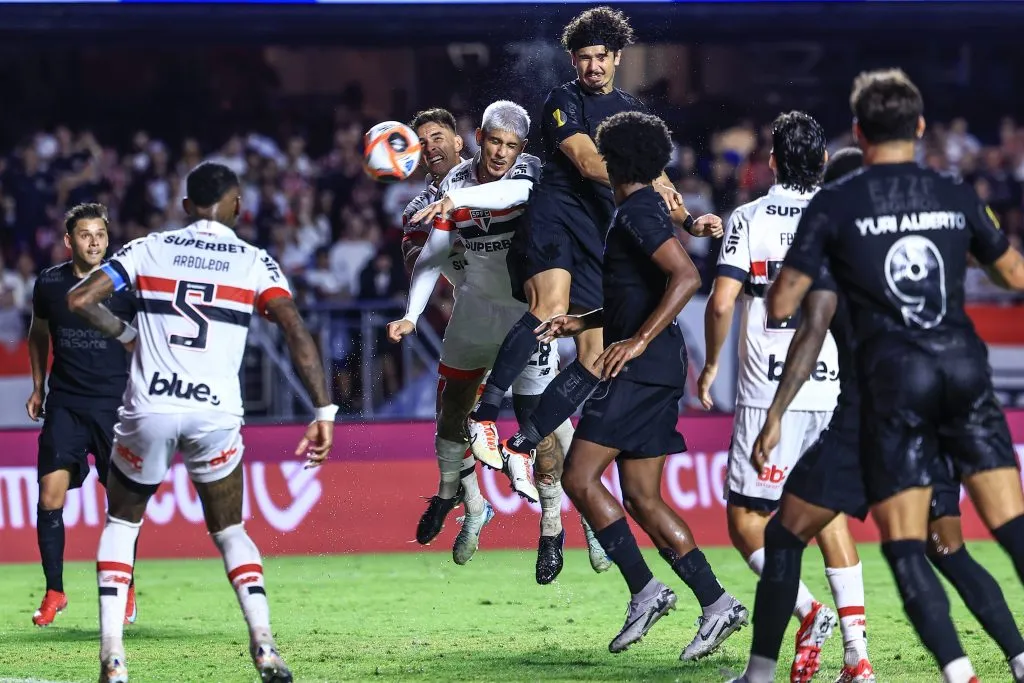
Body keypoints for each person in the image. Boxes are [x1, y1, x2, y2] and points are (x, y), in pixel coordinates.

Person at [767, 68, 1024, 683]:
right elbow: (1013, 274)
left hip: (891, 408)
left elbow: (786, 312)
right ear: (920, 127)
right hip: (962, 382)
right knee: (976, 540)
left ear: (857, 129)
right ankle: (1012, 659)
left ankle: (958, 671)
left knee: (910, 547)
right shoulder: (954, 191)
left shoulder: (836, 213)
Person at [67, 162, 336, 683]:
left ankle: (113, 660)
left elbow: (79, 299)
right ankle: (264, 645)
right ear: (237, 205)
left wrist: (127, 335)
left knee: (122, 523)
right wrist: (323, 410)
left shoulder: (148, 247)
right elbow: (294, 330)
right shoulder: (255, 261)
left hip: (151, 407)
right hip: (214, 412)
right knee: (231, 529)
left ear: (186, 205)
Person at [465, 6, 723, 489]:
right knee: (551, 307)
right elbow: (585, 161)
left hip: (596, 235)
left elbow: (659, 177)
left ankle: (524, 442)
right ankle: (484, 414)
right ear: (572, 60)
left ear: (618, 57)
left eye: (601, 57)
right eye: (583, 58)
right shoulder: (562, 100)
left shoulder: (634, 111)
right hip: (554, 218)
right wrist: (644, 180)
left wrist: (689, 218)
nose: (593, 67)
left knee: (594, 357)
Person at [548, 110, 747, 659]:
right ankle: (717, 603)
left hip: (641, 367)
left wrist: (634, 342)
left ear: (613, 159)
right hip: (656, 367)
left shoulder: (637, 209)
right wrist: (585, 321)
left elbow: (685, 276)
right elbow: (636, 292)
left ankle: (645, 589)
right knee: (639, 495)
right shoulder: (637, 209)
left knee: (579, 477)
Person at [390, 100, 609, 581]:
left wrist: (456, 206)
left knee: (540, 428)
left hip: (528, 317)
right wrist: (412, 313)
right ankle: (465, 503)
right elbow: (431, 255)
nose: (501, 152)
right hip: (471, 314)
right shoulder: (441, 192)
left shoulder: (528, 172)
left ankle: (561, 524)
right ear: (480, 140)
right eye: (494, 142)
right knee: (451, 413)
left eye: (438, 138)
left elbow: (519, 191)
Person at [699, 112, 872, 682]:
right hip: (828, 387)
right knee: (826, 515)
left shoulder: (748, 217)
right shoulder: (840, 219)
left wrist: (712, 366)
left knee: (747, 519)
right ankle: (858, 656)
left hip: (767, 392)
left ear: (770, 161)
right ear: (822, 162)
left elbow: (722, 302)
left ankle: (808, 610)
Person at [27, 203, 139, 628]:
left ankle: (126, 585)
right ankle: (55, 590)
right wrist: (39, 386)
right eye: (85, 235)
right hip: (66, 407)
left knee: (123, 504)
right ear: (69, 241)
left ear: (107, 240)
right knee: (49, 498)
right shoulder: (50, 284)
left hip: (116, 409)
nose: (94, 242)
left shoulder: (125, 286)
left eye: (100, 235)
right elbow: (38, 333)